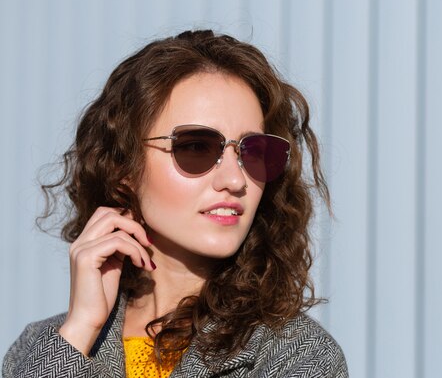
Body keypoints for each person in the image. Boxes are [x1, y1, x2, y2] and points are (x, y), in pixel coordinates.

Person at [2, 30, 348, 378]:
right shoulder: (38, 348)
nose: (235, 180)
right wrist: (81, 328)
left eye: (254, 152)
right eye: (196, 147)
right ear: (124, 168)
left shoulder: (298, 354)